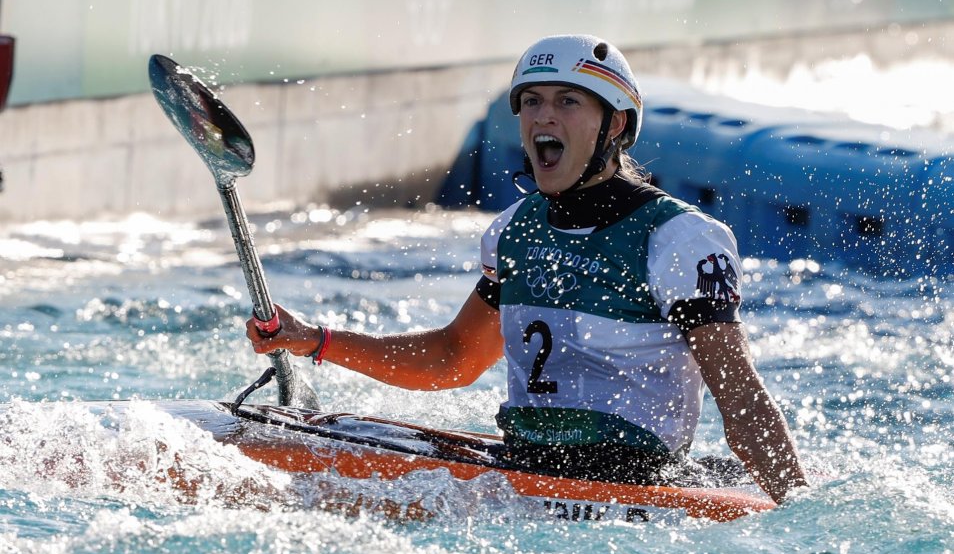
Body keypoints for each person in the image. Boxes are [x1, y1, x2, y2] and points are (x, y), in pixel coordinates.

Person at [246, 34, 809, 504]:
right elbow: (452, 359)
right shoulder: (513, 230)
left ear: (615, 126)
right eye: (532, 101)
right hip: (525, 460)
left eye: (568, 102)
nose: (544, 116)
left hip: (633, 481)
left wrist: (794, 509)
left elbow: (740, 398)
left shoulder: (680, 239)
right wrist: (312, 340)